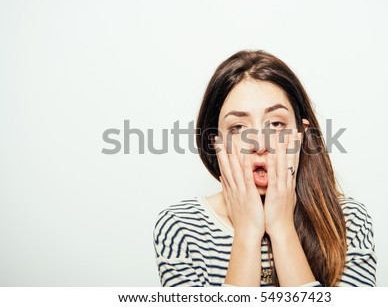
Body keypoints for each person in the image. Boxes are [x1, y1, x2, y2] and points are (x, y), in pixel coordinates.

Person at [153, 50, 376, 287]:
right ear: (215, 142)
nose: (260, 144)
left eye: (276, 124)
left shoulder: (348, 221)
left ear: (300, 135)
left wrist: (282, 229)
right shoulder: (181, 226)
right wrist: (247, 235)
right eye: (238, 127)